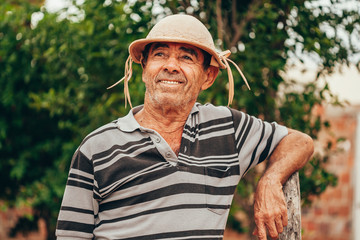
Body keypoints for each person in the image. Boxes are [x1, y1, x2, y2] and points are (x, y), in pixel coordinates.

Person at [56, 14, 314, 240]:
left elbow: (299, 141)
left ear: (208, 77)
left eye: (186, 57)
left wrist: (270, 179)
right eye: (160, 54)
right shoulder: (97, 148)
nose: (171, 65)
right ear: (144, 68)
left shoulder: (227, 129)